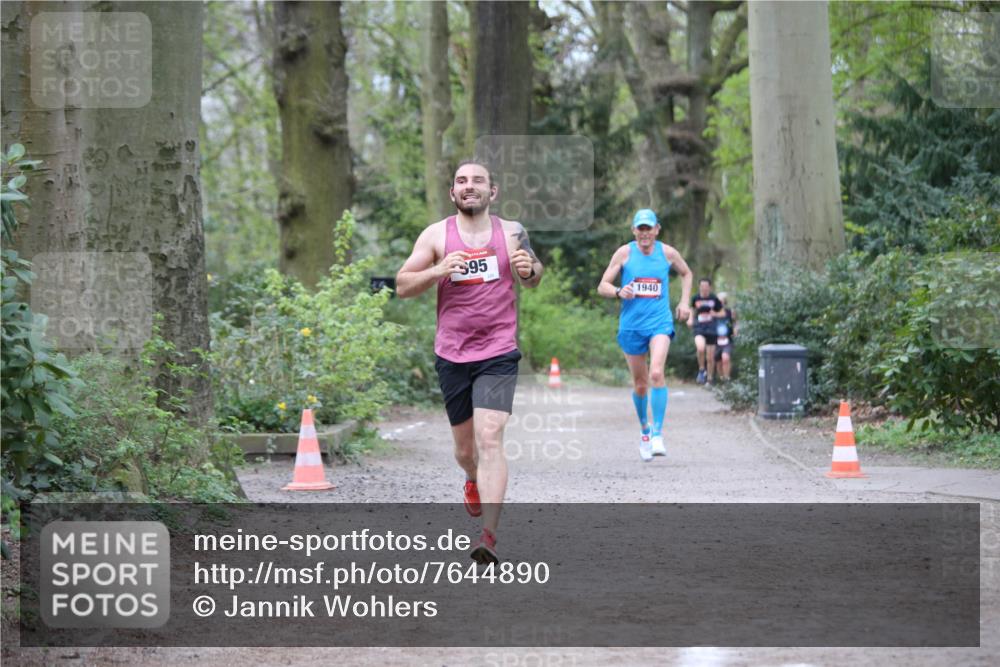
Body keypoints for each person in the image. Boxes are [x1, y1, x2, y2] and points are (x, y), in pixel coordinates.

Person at [395, 160, 543, 565]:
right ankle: (471, 478)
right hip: (452, 353)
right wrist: (439, 269)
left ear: (492, 192)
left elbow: (533, 274)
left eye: (478, 181)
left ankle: (489, 537)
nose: (469, 186)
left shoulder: (512, 232)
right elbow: (402, 285)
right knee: (465, 451)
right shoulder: (436, 235)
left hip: (498, 351)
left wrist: (529, 269)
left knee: (490, 437)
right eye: (462, 181)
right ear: (453, 193)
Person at [598, 209, 692, 462]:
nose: (644, 233)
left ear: (657, 229)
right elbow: (602, 286)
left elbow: (687, 273)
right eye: (640, 229)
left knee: (656, 373)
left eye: (648, 228)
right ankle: (645, 431)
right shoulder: (625, 253)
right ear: (634, 231)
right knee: (640, 384)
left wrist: (685, 302)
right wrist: (619, 291)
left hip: (659, 323)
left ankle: (659, 434)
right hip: (631, 326)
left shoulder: (668, 253)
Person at [687, 278, 724, 385]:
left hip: (712, 329)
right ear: (699, 287)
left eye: (706, 286)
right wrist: (690, 319)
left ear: (709, 287)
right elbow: (692, 310)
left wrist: (715, 314)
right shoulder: (695, 298)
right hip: (699, 327)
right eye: (702, 286)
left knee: (710, 357)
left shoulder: (714, 298)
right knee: (700, 347)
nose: (704, 288)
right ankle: (702, 369)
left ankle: (710, 378)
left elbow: (722, 312)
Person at [713, 292, 737, 381]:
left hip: (727, 339)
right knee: (718, 361)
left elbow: (735, 322)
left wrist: (735, 330)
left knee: (725, 358)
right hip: (715, 340)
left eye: (722, 301)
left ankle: (727, 379)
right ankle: (721, 378)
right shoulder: (713, 312)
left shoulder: (730, 312)